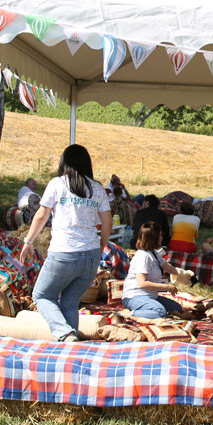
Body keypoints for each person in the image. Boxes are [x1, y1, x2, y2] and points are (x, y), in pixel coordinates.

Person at [21, 144, 111, 342]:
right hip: (90, 255)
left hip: (64, 252)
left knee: (42, 296)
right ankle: (70, 347)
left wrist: (28, 241)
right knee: (70, 302)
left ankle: (64, 333)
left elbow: (41, 215)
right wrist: (100, 246)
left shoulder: (57, 184)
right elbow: (107, 221)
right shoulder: (97, 188)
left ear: (64, 162)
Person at [121, 221, 182, 319]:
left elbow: (166, 266)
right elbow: (142, 283)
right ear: (154, 237)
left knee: (177, 309)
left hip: (150, 296)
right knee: (160, 312)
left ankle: (146, 310)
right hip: (135, 296)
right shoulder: (143, 256)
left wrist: (182, 274)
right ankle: (128, 314)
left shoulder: (154, 253)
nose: (162, 237)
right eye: (160, 235)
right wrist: (167, 287)